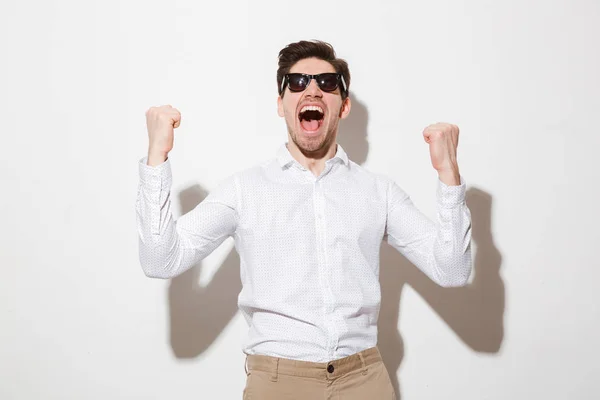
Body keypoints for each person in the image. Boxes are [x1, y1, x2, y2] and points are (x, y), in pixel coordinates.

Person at [136, 40, 472, 399]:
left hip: (364, 380)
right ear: (281, 105)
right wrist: (157, 156)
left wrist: (448, 173)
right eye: (297, 82)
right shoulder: (243, 190)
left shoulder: (378, 192)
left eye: (327, 83)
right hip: (278, 382)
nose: (312, 89)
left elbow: (451, 270)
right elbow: (161, 260)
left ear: (343, 107)